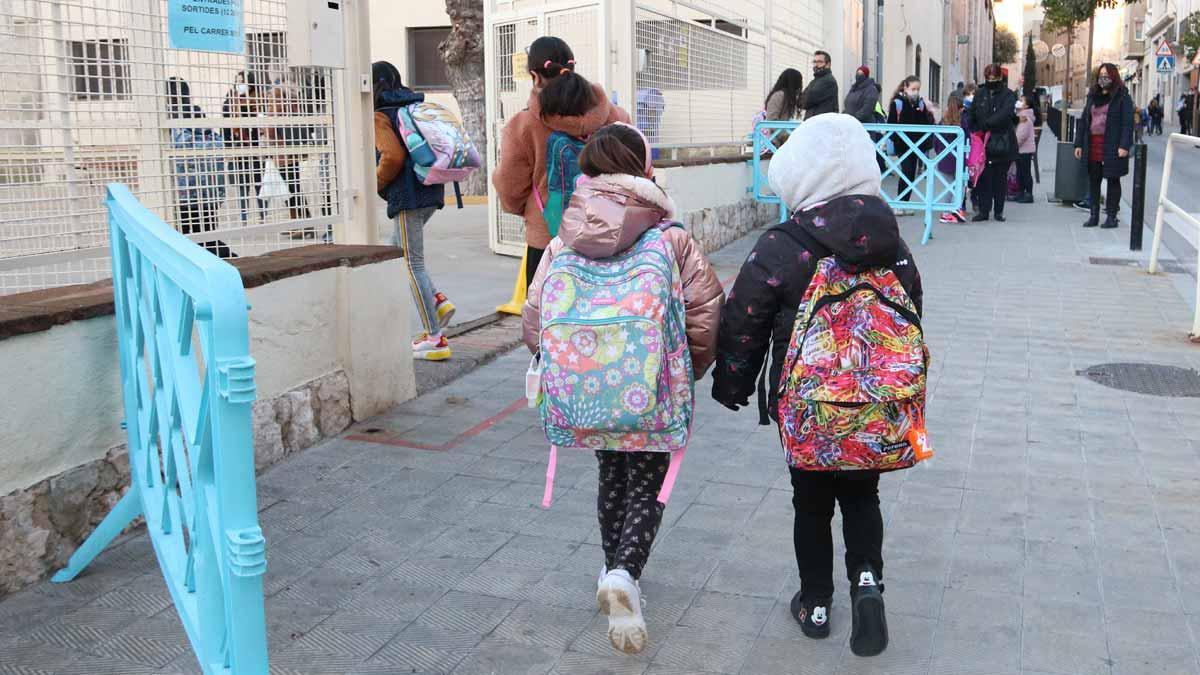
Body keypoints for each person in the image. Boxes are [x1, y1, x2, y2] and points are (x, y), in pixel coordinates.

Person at [711, 113, 924, 659]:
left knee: (810, 504)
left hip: (805, 405)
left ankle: (817, 602)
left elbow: (745, 317)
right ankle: (868, 583)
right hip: (873, 406)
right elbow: (911, 316)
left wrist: (731, 385)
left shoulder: (784, 244)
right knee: (863, 494)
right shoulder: (892, 243)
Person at [522, 123, 723, 655]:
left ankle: (613, 568)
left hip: (585, 390)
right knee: (648, 480)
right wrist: (687, 372)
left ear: (587, 171)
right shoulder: (670, 238)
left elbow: (535, 315)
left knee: (611, 471)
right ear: (644, 171)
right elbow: (705, 316)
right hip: (651, 389)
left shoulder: (566, 236)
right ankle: (624, 572)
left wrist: (563, 370)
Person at [493, 36, 631, 289]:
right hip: (609, 230)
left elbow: (510, 185)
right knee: (604, 310)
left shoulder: (522, 125)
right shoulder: (616, 117)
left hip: (548, 235)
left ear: (535, 76)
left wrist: (525, 210)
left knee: (545, 313)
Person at [373, 61, 457, 360]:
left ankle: (435, 339)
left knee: (412, 263)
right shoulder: (412, 105)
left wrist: (377, 182)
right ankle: (437, 301)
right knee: (396, 250)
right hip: (431, 186)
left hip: (407, 194)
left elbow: (392, 157)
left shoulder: (381, 115)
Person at [166, 76, 231, 259]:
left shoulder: (170, 118)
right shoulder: (197, 113)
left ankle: (222, 258)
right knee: (207, 228)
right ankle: (221, 256)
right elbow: (217, 142)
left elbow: (177, 145)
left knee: (191, 235)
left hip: (186, 189)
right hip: (209, 187)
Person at [1073, 63, 1134, 229]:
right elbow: (1084, 121)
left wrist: (1124, 145)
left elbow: (1128, 124)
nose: (1103, 78)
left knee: (1113, 179)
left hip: (1113, 144)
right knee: (1094, 180)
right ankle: (1094, 216)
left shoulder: (1122, 96)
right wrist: (1078, 143)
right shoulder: (1093, 96)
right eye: (1101, 75)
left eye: (1106, 75)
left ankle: (1112, 217)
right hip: (1093, 143)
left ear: (1113, 76)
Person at [969, 64, 1017, 222]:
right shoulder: (980, 93)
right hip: (983, 142)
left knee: (1000, 179)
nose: (991, 81)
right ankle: (984, 211)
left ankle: (998, 211)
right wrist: (974, 130)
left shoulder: (1008, 94)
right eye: (988, 78)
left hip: (1002, 141)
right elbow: (973, 113)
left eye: (994, 78)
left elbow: (1006, 113)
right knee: (984, 178)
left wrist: (988, 124)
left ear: (1000, 78)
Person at [264, 75, 312, 223]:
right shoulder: (292, 106)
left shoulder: (277, 109)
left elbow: (270, 132)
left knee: (290, 189)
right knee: (293, 187)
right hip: (289, 151)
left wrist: (266, 123)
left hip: (282, 153)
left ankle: (302, 223)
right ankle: (302, 221)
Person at [886, 76, 935, 214]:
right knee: (906, 171)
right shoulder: (897, 103)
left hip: (917, 144)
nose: (915, 91)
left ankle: (905, 204)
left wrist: (928, 111)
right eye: (913, 89)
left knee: (911, 174)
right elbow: (891, 123)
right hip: (903, 144)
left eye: (918, 89)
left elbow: (925, 123)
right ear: (905, 87)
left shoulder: (920, 103)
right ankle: (899, 203)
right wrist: (896, 140)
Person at [222, 71, 265, 225]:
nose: (240, 84)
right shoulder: (230, 101)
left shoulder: (259, 99)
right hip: (238, 148)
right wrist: (227, 148)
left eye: (243, 81)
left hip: (257, 148)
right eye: (238, 81)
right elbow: (226, 127)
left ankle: (262, 216)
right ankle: (244, 218)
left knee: (259, 183)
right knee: (242, 185)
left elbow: (263, 121)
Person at [936, 96, 969, 223]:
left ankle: (946, 211)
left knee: (948, 186)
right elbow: (967, 138)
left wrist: (940, 153)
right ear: (960, 109)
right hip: (958, 157)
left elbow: (936, 140)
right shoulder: (963, 122)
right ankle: (955, 209)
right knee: (959, 185)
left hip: (945, 158)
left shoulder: (943, 121)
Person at [801, 50, 839, 119]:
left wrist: (805, 96)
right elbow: (800, 102)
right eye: (814, 62)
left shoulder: (828, 81)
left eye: (820, 62)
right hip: (813, 123)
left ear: (828, 64)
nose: (816, 65)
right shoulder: (815, 81)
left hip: (822, 125)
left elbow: (807, 100)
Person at [1014, 94, 1036, 204]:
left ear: (1026, 106)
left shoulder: (1025, 118)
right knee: (1020, 172)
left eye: (1021, 100)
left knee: (1025, 172)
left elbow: (1021, 136)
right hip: (1022, 150)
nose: (1018, 102)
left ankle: (1028, 194)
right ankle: (1020, 192)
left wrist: (1013, 145)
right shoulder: (1022, 116)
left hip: (1024, 150)